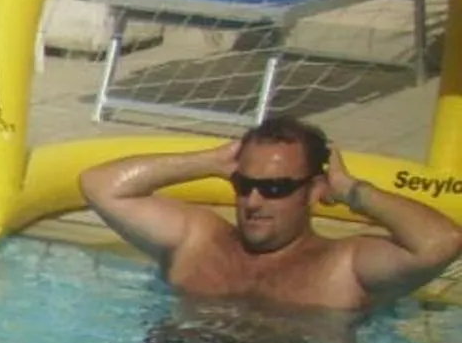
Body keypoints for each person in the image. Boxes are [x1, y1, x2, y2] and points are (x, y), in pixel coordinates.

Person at [78, 114, 462, 315]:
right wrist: (209, 161)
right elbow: (100, 185)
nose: (254, 201)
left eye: (276, 188)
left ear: (313, 191)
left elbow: (440, 243)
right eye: (244, 184)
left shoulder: (343, 266)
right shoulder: (198, 239)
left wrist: (353, 192)